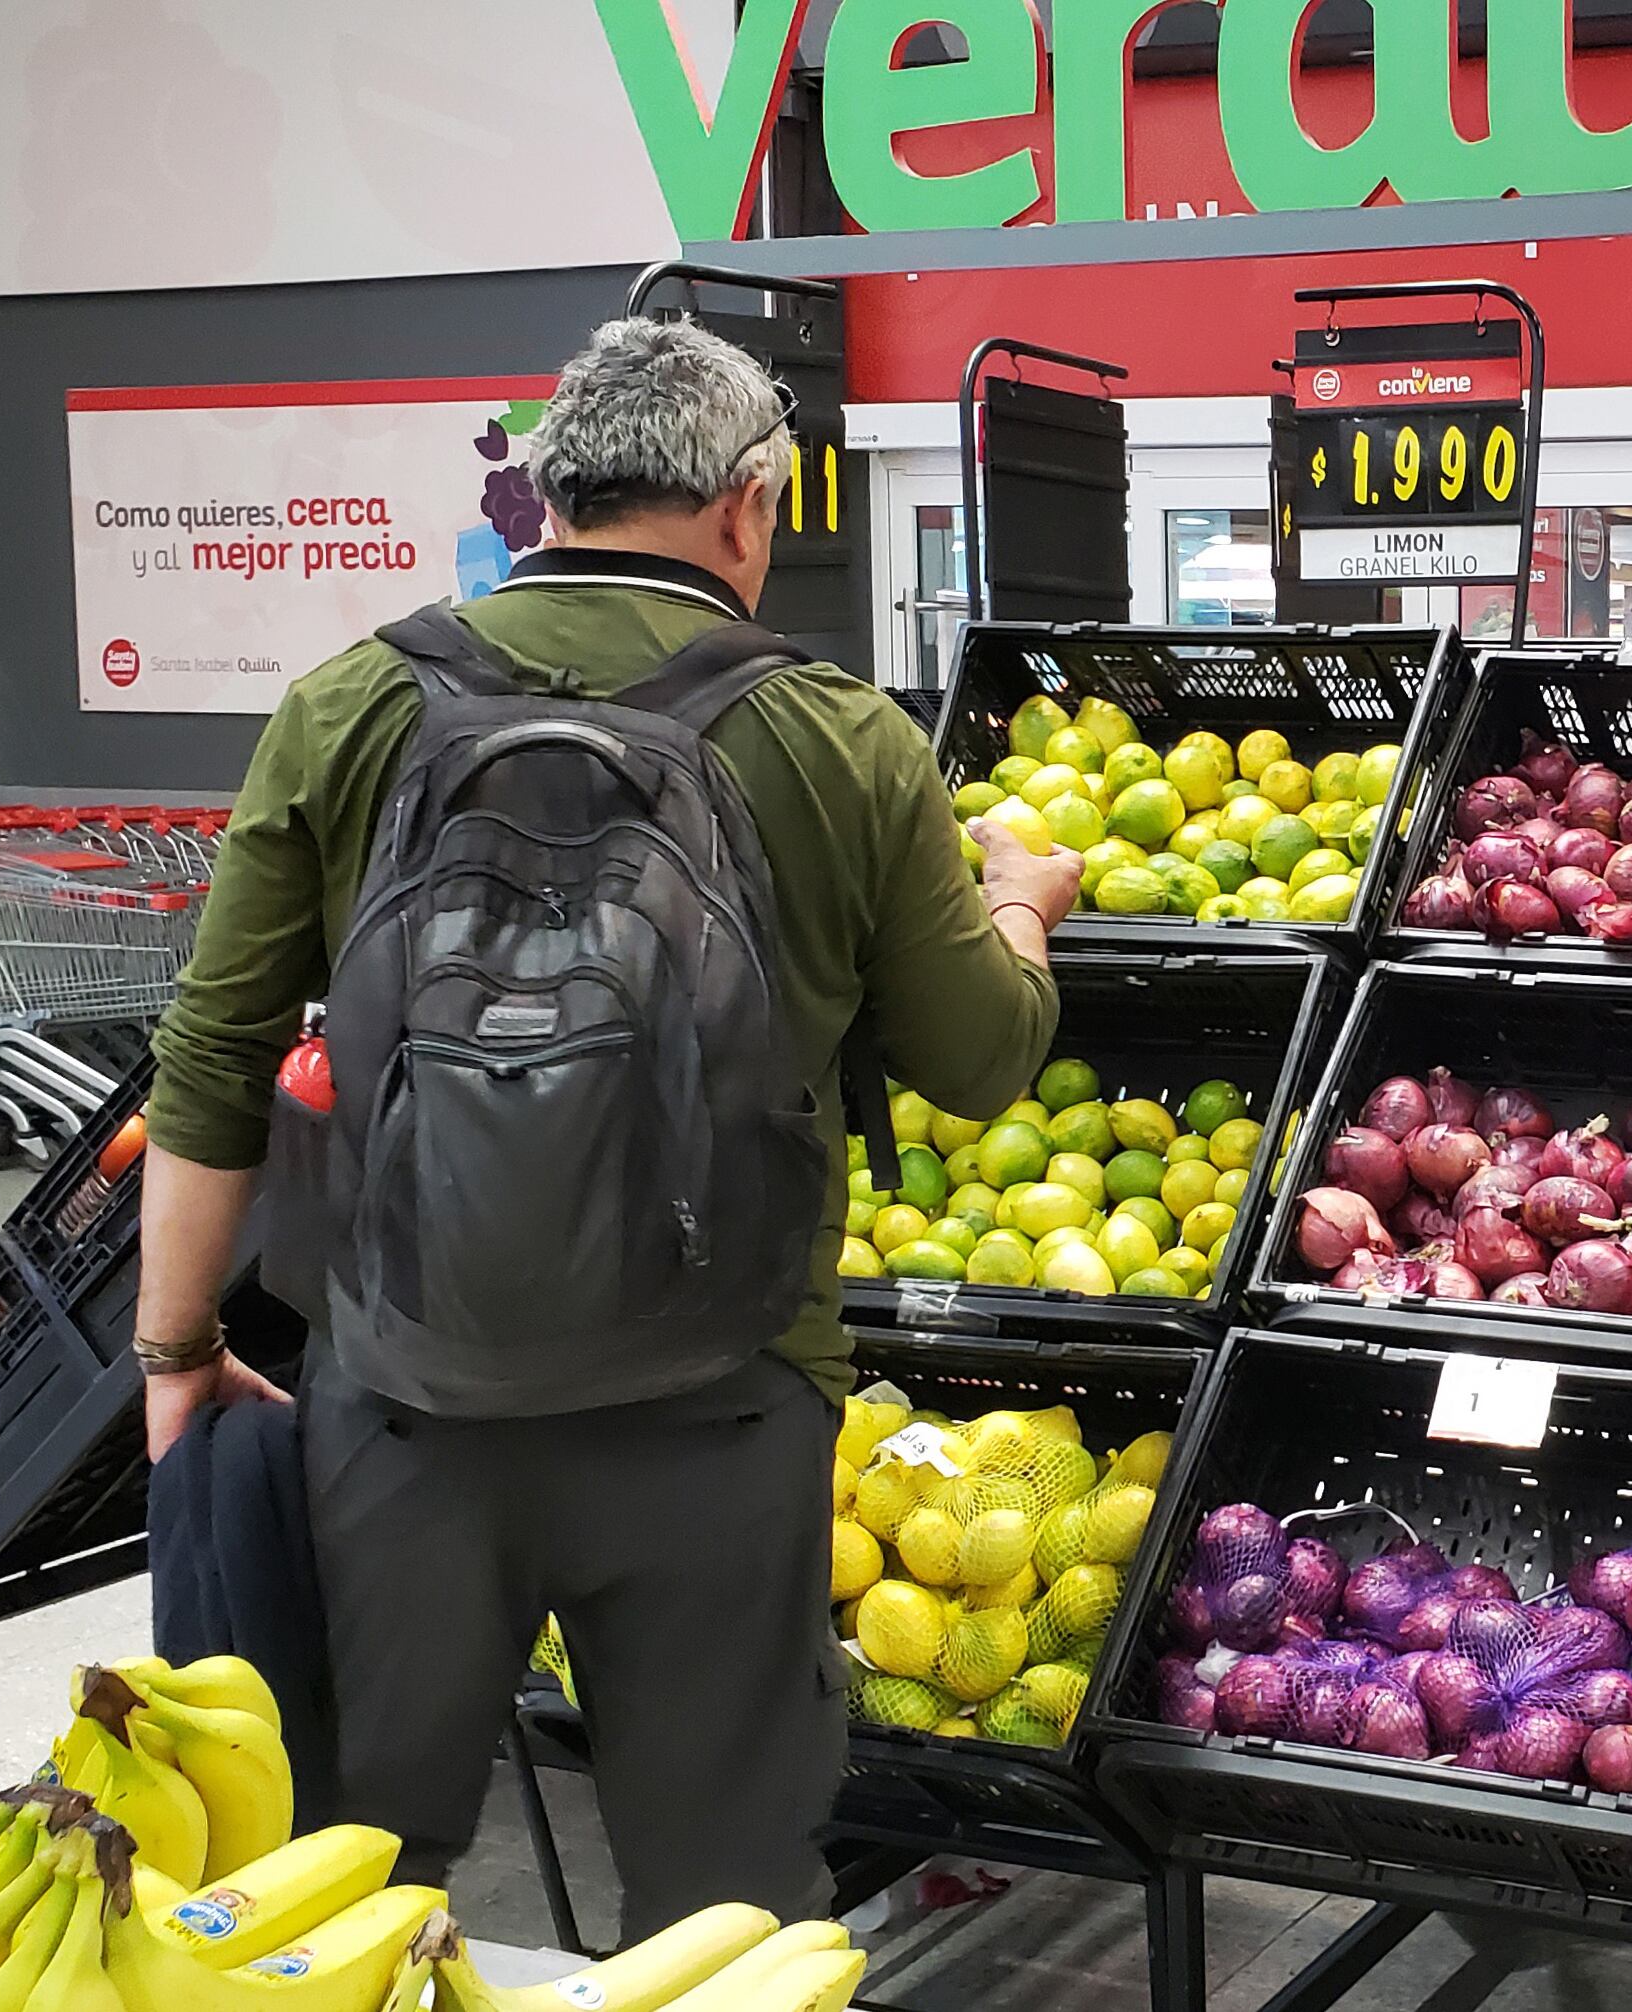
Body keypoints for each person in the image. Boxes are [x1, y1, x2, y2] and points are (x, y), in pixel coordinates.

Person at [134, 315, 1078, 1933]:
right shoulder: (840, 737)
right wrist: (1021, 905)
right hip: (722, 1400)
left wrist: (174, 1353)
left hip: (406, 1392)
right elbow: (981, 1062)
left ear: (546, 495)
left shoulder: (352, 702)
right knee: (722, 1900)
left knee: (353, 1873)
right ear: (746, 507)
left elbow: (212, 1056)